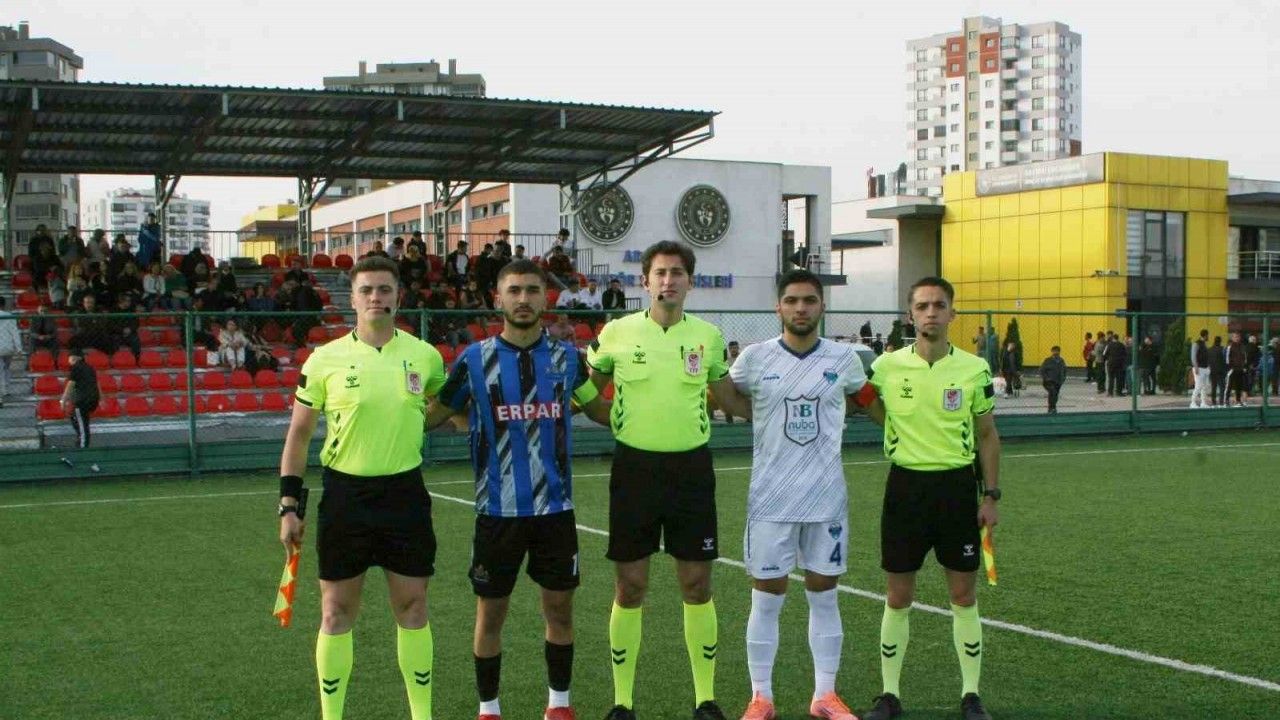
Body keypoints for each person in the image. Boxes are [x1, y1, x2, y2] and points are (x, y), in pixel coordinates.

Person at [425, 258, 611, 720]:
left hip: (555, 510)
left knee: (560, 611)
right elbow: (432, 414)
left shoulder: (569, 360)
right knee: (490, 615)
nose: (523, 299)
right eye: (514, 290)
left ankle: (559, 705)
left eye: (532, 290)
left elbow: (601, 411)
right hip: (497, 511)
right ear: (498, 299)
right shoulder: (473, 360)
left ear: (546, 298)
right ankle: (489, 709)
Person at [278, 255, 448, 720]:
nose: (376, 297)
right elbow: (299, 434)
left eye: (385, 289)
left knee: (413, 607)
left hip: (404, 496)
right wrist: (288, 505)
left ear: (399, 297)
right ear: (352, 299)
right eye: (367, 290)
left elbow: (441, 409)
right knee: (335, 612)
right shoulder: (325, 359)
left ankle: (422, 716)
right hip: (346, 498)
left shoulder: (425, 356)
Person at [587, 240, 747, 720]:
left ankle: (705, 700)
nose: (668, 280)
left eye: (677, 273)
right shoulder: (616, 333)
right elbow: (586, 393)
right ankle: (622, 703)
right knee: (630, 586)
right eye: (659, 272)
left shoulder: (708, 337)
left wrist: (784, 408)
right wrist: (613, 419)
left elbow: (729, 400)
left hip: (690, 472)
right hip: (633, 471)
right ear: (645, 281)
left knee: (696, 584)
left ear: (690, 282)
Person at [730, 270, 868, 720]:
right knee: (766, 595)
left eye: (809, 300)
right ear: (779, 307)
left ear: (822, 306)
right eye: (792, 300)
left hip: (826, 499)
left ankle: (824, 695)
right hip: (771, 500)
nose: (801, 308)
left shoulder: (845, 359)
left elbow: (866, 399)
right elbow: (726, 395)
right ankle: (761, 698)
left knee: (824, 594)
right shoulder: (754, 358)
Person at [862, 276, 1000, 720]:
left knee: (963, 595)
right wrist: (891, 425)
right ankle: (889, 695)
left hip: (956, 489)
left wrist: (991, 496)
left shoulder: (974, 369)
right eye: (922, 306)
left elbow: (987, 434)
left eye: (939, 305)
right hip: (905, 488)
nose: (931, 313)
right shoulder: (887, 366)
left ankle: (971, 695)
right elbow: (866, 401)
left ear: (952, 313)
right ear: (910, 315)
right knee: (898, 595)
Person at [61, 347, 101, 450]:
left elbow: (70, 384)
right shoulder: (90, 368)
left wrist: (63, 399)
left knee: (82, 424)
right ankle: (81, 441)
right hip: (92, 399)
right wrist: (101, 398)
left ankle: (83, 446)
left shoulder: (76, 368)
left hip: (82, 401)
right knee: (79, 419)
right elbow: (97, 384)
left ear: (74, 358)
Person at [0, 298, 19, 406]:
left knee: (1, 370)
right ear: (4, 305)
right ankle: (6, 389)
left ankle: (2, 391)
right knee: (6, 368)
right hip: (8, 346)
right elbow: (14, 332)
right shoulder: (9, 316)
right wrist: (19, 348)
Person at [1039, 345, 1067, 414]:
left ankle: (1052, 408)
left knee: (1055, 395)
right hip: (1048, 381)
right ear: (1052, 352)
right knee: (1052, 392)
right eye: (1054, 351)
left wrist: (1063, 379)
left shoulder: (1061, 361)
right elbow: (1042, 370)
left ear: (1059, 352)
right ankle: (1052, 408)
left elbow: (1064, 370)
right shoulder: (1047, 360)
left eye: (1057, 351)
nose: (1055, 352)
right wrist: (1046, 378)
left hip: (1058, 382)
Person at [1225, 331, 1247, 407]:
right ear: (1232, 338)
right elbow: (1227, 358)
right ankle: (1226, 401)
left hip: (1240, 369)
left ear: (1240, 338)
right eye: (1235, 337)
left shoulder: (1242, 347)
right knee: (1229, 385)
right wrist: (1230, 368)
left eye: (1238, 337)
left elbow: (1244, 357)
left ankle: (1238, 401)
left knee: (1239, 386)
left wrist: (1244, 367)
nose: (1237, 338)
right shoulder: (1230, 346)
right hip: (1232, 369)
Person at [1189, 329, 1210, 408]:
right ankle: (1192, 402)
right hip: (1199, 368)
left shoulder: (1204, 344)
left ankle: (1203, 403)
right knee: (1198, 386)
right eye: (1207, 335)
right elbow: (1193, 356)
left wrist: (1208, 366)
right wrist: (1196, 366)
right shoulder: (1196, 344)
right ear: (1205, 335)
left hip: (1204, 368)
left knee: (1204, 387)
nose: (1208, 337)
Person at [1208, 335, 1226, 407]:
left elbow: (1208, 361)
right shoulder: (1222, 349)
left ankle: (1213, 402)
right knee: (1222, 387)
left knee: (1213, 387)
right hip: (1221, 371)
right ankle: (1221, 402)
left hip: (1212, 371)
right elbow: (1225, 360)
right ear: (1220, 341)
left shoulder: (1209, 350)